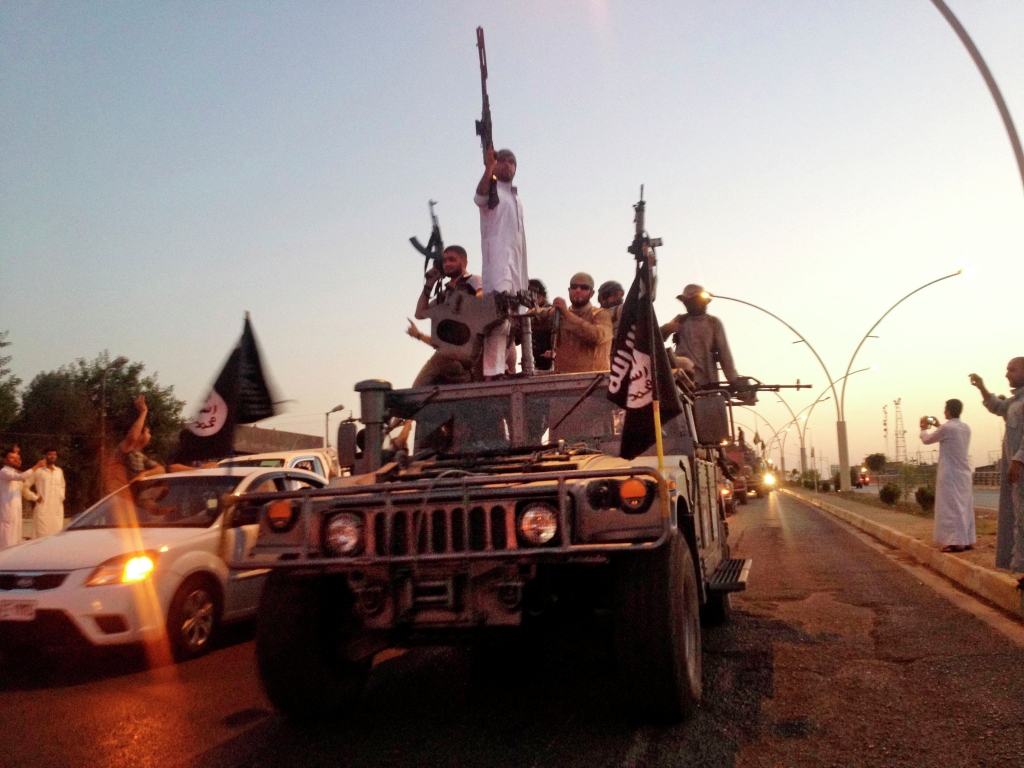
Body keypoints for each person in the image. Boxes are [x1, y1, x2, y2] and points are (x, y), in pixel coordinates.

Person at [475, 147, 528, 378]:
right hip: (498, 264)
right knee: (498, 319)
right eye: (502, 160)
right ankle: (492, 372)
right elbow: (479, 196)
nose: (507, 164)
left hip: (517, 266)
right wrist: (488, 168)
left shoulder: (515, 196)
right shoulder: (492, 190)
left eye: (511, 161)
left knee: (514, 321)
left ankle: (506, 368)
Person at [970, 358, 1024, 572]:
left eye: (1012, 370)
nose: (1007, 374)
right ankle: (1019, 568)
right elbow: (996, 406)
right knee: (1018, 520)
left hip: (1019, 469)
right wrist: (981, 387)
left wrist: (1018, 459)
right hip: (1016, 476)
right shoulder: (1014, 402)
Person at [410, 245, 483, 387]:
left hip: (469, 347)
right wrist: (429, 284)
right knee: (418, 389)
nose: (447, 264)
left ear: (464, 262)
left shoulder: (472, 280)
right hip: (448, 352)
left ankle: (468, 380)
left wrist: (461, 303)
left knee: (441, 358)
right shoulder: (445, 294)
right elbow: (420, 314)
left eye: (452, 259)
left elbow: (481, 298)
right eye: (444, 261)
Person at [920, 400, 975, 553]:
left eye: (945, 409)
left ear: (948, 412)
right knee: (965, 507)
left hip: (950, 474)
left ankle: (955, 542)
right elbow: (950, 436)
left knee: (951, 508)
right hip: (964, 473)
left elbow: (927, 440)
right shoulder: (965, 428)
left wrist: (923, 429)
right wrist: (939, 426)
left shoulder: (947, 428)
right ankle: (968, 539)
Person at [660, 284, 739, 389]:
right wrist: (668, 328)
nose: (689, 304)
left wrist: (733, 380)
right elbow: (655, 338)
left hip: (708, 382)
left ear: (703, 302)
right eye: (687, 301)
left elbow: (724, 353)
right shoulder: (680, 320)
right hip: (683, 382)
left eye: (693, 300)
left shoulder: (713, 322)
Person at [547, 272, 613, 374]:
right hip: (563, 382)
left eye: (584, 287)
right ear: (569, 290)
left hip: (594, 383)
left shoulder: (601, 315)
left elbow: (597, 336)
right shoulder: (559, 314)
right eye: (574, 286)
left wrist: (567, 315)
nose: (578, 290)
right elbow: (536, 315)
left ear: (592, 293)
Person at [0, 448, 44, 549]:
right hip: (7, 512)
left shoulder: (15, 473)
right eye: (11, 458)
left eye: (17, 458)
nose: (15, 460)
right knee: (7, 540)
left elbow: (23, 482)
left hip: (16, 511)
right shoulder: (4, 472)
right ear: (5, 460)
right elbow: (22, 477)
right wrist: (37, 466)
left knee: (16, 540)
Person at [527, 278, 554, 371]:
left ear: (543, 298)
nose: (532, 301)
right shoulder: (526, 316)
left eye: (536, 298)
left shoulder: (550, 314)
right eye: (529, 297)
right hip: (533, 364)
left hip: (550, 364)